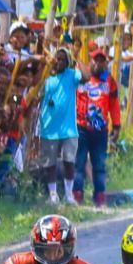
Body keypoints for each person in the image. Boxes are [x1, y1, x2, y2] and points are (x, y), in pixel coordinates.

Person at [74, 47, 121, 206]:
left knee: (99, 164)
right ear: (90, 61)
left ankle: (100, 196)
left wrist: (117, 125)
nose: (98, 64)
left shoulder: (109, 81)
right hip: (81, 128)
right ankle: (77, 196)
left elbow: (114, 104)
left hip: (101, 130)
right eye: (95, 60)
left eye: (102, 61)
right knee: (78, 163)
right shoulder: (80, 77)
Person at [38, 47, 83, 204]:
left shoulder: (71, 75)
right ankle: (53, 195)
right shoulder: (46, 77)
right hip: (48, 128)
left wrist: (77, 60)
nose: (59, 62)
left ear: (68, 62)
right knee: (49, 164)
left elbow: (86, 76)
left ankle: (69, 195)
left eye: (63, 59)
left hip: (68, 129)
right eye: (57, 58)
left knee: (68, 162)